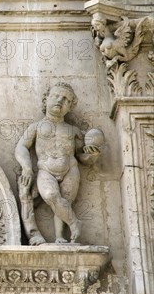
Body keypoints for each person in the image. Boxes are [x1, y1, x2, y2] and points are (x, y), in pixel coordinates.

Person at [15, 82, 101, 244]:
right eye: (56, 96)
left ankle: (60, 237)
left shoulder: (72, 131)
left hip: (70, 169)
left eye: (66, 100)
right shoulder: (37, 127)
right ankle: (75, 223)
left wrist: (92, 156)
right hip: (46, 169)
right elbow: (21, 147)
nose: (60, 101)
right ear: (46, 99)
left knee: (64, 201)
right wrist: (27, 168)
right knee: (51, 195)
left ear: (70, 106)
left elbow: (81, 156)